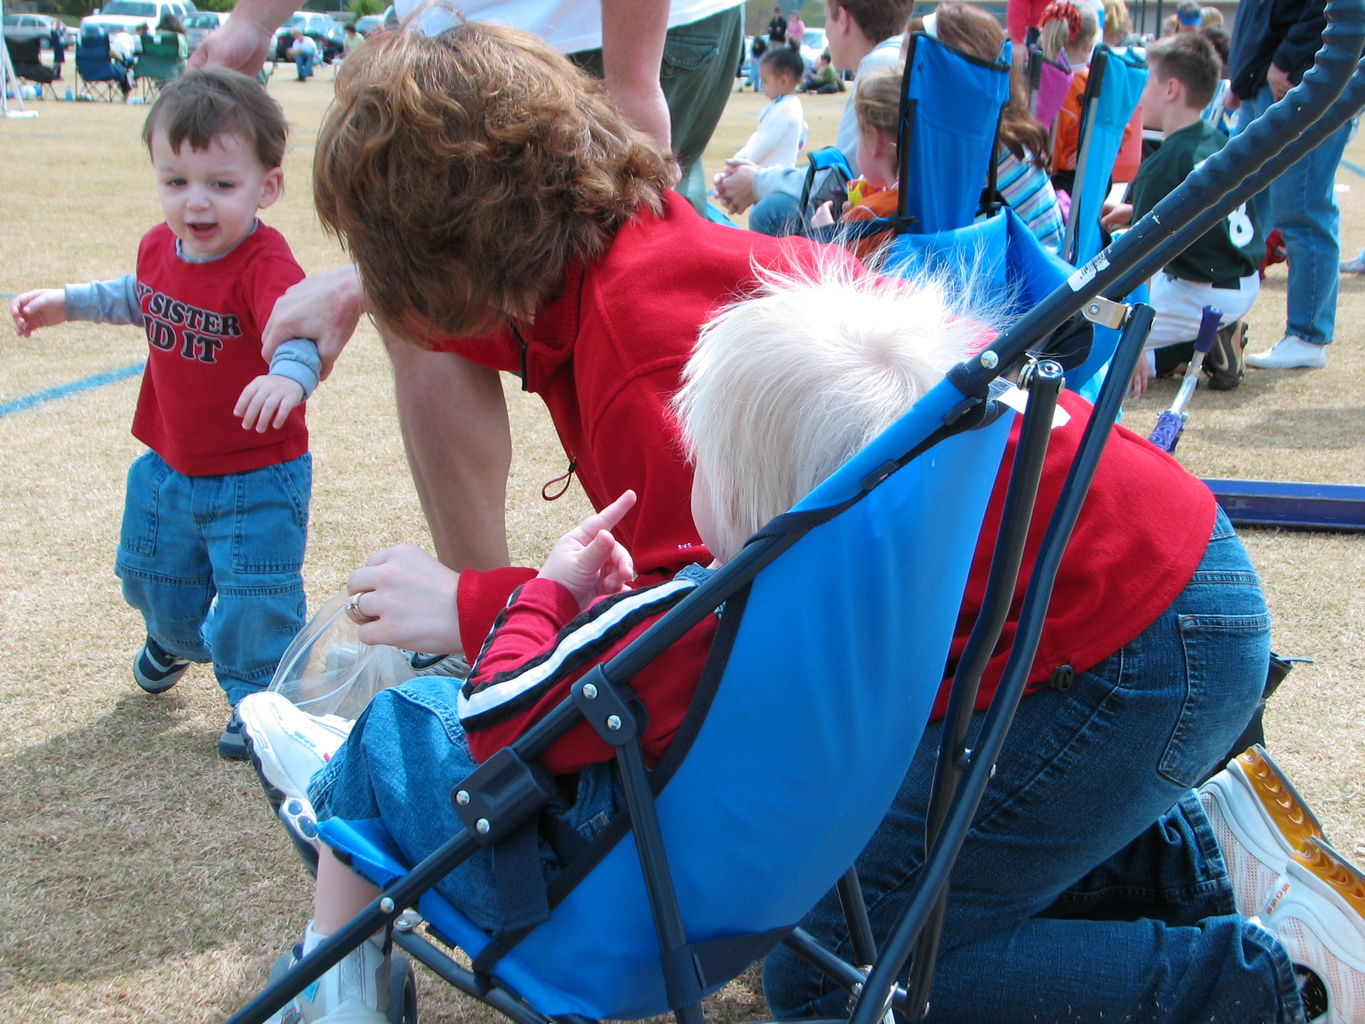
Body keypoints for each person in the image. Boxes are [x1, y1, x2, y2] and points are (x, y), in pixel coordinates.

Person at [236, 263, 975, 1024]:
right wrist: (610, 614)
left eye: (703, 455)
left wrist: (549, 596)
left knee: (398, 720)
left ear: (736, 492)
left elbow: (492, 717)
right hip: (740, 907)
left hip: (583, 909)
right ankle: (337, 783)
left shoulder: (680, 621)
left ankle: (335, 976)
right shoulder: (850, 639)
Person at [260, 24, 858, 680]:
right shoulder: (629, 240)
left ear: (455, 253)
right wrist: (360, 292)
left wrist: (477, 607)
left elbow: (696, 640)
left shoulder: (641, 365)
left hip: (897, 699)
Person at [7, 69, 321, 759]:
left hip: (256, 477)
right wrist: (68, 301)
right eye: (175, 181)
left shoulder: (264, 263)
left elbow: (300, 331)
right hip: (168, 464)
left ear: (266, 187)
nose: (195, 203)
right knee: (151, 578)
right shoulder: (158, 243)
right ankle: (172, 639)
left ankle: (260, 701)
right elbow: (138, 293)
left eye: (220, 184)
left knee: (254, 599)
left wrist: (289, 378)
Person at [187, 0, 744, 215]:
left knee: (625, 269)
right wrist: (251, 21)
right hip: (449, 41)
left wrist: (633, 83)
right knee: (421, 296)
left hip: (612, 31)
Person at [1101, 32, 1260, 395]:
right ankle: (1207, 336)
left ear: (1171, 88)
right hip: (1239, 279)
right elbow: (1204, 209)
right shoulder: (1218, 141)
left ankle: (1204, 340)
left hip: (1200, 291)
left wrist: (1133, 337)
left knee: (1100, 346)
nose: (1141, 90)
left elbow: (1140, 262)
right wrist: (1132, 210)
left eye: (1148, 80)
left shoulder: (1164, 164)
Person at [713, 0, 912, 235]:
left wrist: (757, 182)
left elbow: (839, 178)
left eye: (827, 17)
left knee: (772, 212)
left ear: (843, 19)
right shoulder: (907, 55)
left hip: (886, 227)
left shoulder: (879, 67)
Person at [1229, 0, 1347, 370]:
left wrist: (1289, 60)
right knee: (1242, 203)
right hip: (1270, 80)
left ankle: (1308, 335)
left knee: (1302, 206)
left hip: (1305, 81)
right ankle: (1220, 323)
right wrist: (1244, 75)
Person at [915, 3, 1065, 253]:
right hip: (1050, 275)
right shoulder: (1004, 137)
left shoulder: (980, 155)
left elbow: (941, 244)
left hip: (1024, 285)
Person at [731, 46, 807, 169]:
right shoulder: (779, 105)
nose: (763, 86)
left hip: (776, 176)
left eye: (765, 81)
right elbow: (759, 135)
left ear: (783, 80)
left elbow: (767, 143)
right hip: (764, 172)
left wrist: (744, 163)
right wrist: (740, 157)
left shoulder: (788, 109)